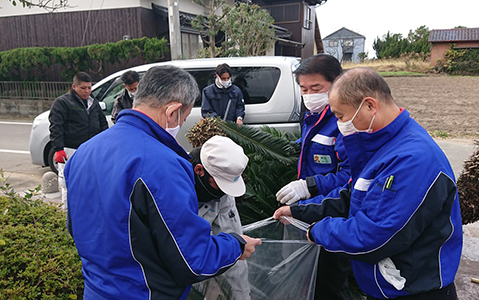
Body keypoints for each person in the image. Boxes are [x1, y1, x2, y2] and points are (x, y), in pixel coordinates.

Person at [64, 65, 261, 300]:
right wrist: (236, 245)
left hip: (96, 291)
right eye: (185, 117)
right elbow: (193, 261)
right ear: (173, 112)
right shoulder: (162, 165)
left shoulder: (83, 153)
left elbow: (74, 227)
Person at [274, 67, 463, 300]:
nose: (341, 124)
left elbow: (374, 236)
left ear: (370, 106)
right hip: (388, 287)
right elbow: (354, 195)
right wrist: (300, 211)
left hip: (414, 291)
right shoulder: (381, 144)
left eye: (341, 116)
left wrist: (318, 231)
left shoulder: (413, 160)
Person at [275, 54, 352, 300]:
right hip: (310, 211)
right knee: (306, 279)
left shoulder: (344, 123)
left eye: (316, 88)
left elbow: (350, 177)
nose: (309, 95)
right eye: (303, 89)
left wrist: (308, 186)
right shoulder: (312, 117)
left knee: (329, 282)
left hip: (332, 215)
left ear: (337, 83)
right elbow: (315, 150)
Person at [189, 135, 251, 300]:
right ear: (199, 170)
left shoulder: (224, 195)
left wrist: (242, 295)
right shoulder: (174, 185)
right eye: (219, 184)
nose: (224, 192)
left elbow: (235, 244)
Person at [48, 71, 108, 209]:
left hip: (91, 150)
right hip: (71, 149)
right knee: (68, 183)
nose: (87, 91)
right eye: (83, 88)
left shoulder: (94, 103)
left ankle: (89, 211)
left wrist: (104, 145)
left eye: (89, 87)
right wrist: (58, 148)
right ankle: (67, 214)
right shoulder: (62, 102)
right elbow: (56, 126)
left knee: (91, 181)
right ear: (74, 87)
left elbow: (102, 124)